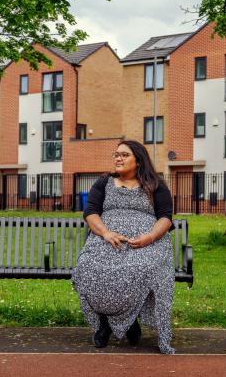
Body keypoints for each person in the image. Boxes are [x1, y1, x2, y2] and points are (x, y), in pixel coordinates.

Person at [71, 140, 176, 354]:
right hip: (107, 239)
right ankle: (105, 323)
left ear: (138, 161)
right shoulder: (103, 183)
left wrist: (149, 238)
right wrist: (106, 233)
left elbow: (165, 218)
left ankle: (128, 319)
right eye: (116, 154)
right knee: (90, 266)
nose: (118, 158)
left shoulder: (155, 185)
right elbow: (90, 212)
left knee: (139, 268)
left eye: (124, 155)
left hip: (146, 242)